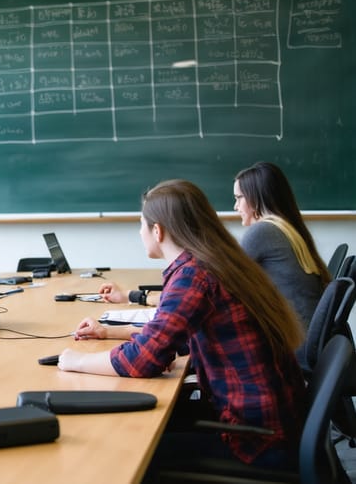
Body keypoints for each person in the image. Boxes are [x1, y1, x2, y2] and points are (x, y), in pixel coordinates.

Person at [62, 179, 306, 471]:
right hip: (274, 426)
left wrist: (75, 361)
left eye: (141, 225)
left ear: (157, 230)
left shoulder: (193, 274)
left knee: (125, 451)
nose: (139, 232)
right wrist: (115, 335)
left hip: (256, 442)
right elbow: (179, 338)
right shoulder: (218, 261)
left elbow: (142, 361)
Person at [234, 161, 331, 327]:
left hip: (295, 342)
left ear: (255, 197)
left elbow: (228, 283)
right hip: (308, 335)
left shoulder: (262, 231)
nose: (236, 207)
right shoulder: (287, 228)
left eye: (238, 198)